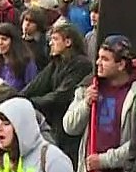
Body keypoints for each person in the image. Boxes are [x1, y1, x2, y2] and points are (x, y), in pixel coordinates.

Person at [62, 34, 136, 172]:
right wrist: (85, 103)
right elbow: (70, 126)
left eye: (105, 59)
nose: (98, 63)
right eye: (98, 57)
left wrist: (105, 160)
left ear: (121, 64)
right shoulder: (88, 87)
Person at [21, 23, 91, 158]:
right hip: (55, 124)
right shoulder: (56, 63)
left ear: (68, 42)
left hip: (69, 128)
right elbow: (35, 86)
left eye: (55, 39)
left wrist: (30, 102)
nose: (51, 44)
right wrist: (17, 98)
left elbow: (61, 96)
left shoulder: (81, 65)